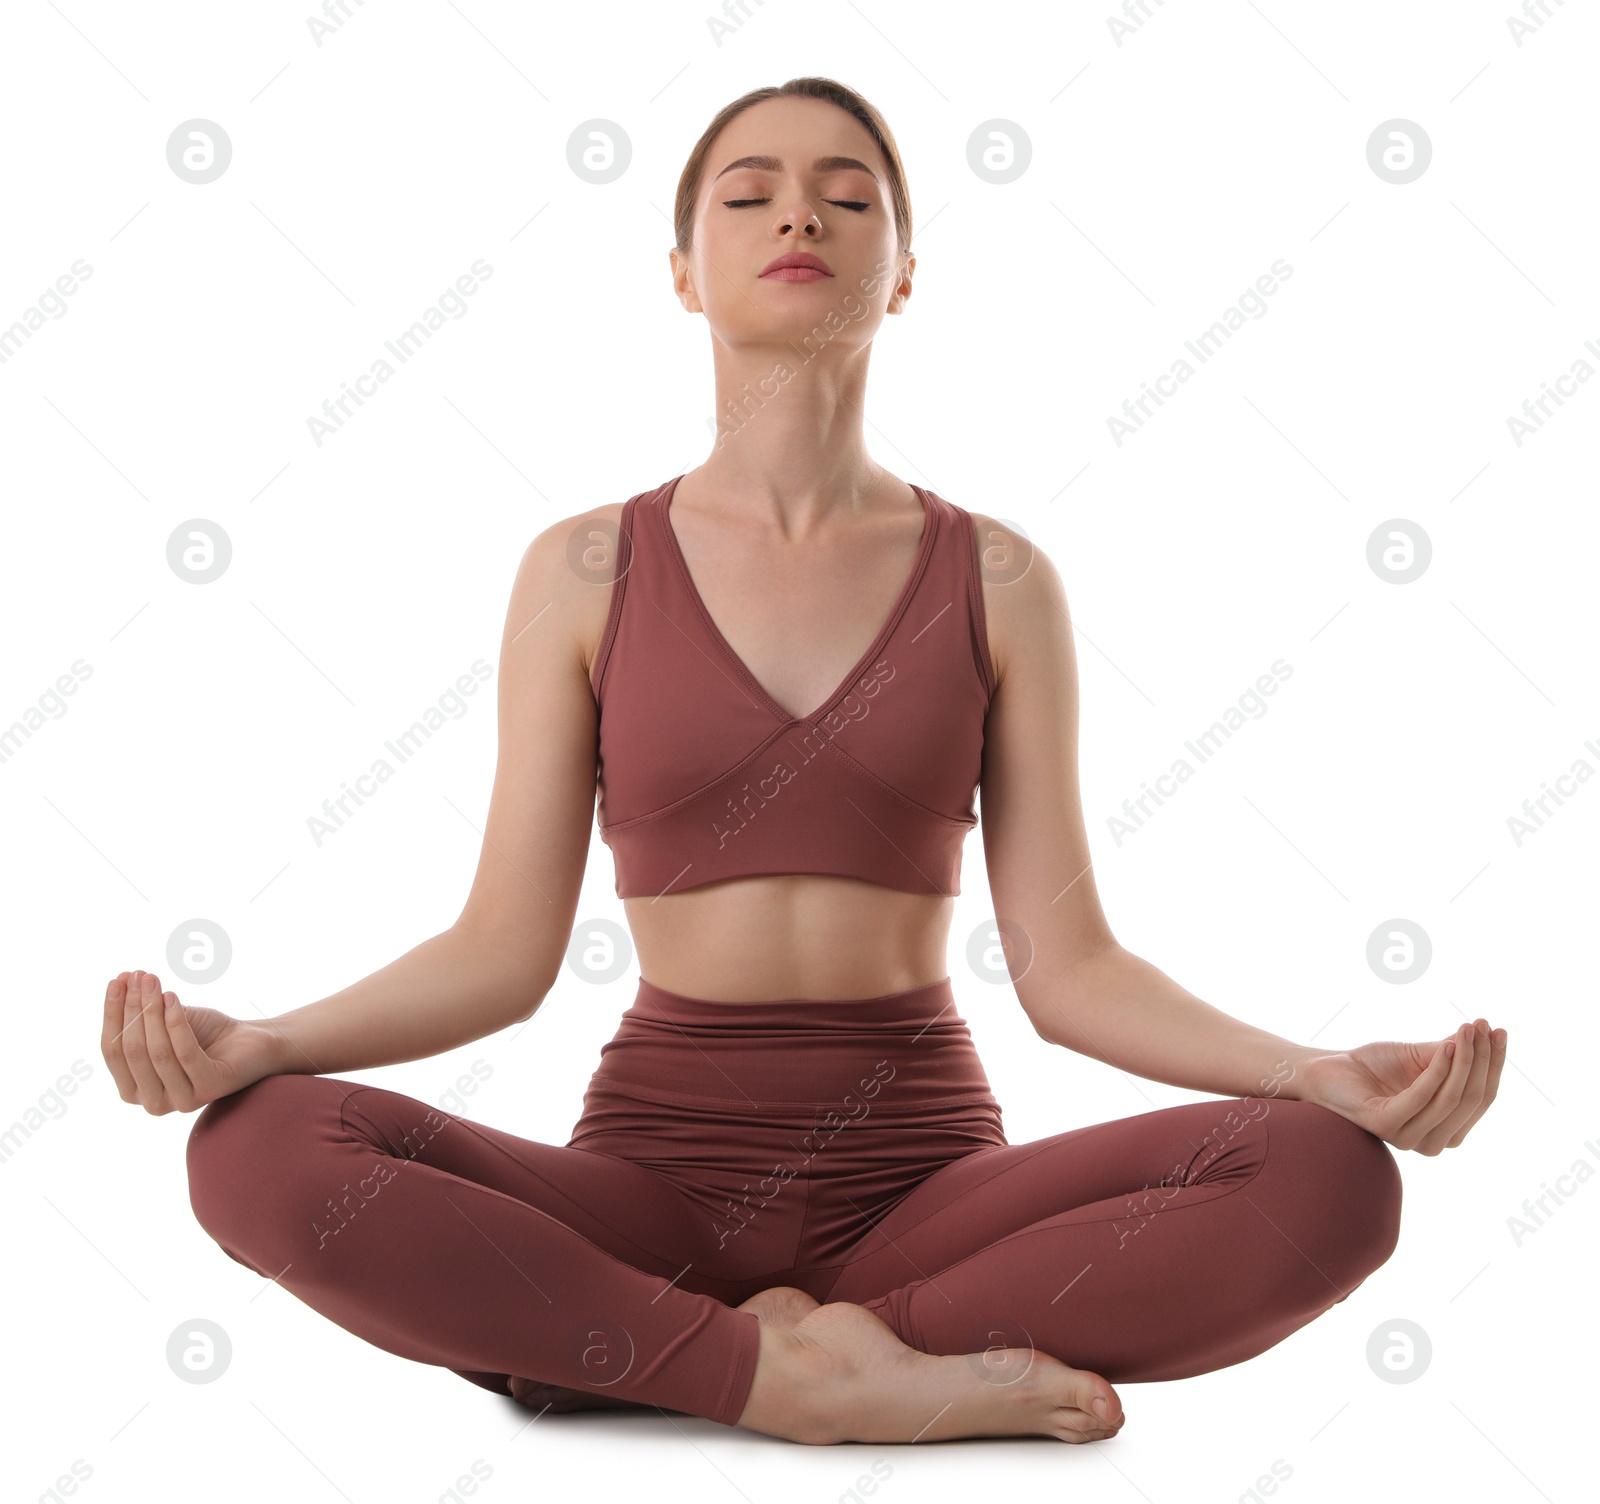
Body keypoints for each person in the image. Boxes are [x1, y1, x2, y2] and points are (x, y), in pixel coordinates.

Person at [99, 77, 1506, 1448]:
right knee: (256, 1149)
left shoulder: (998, 576)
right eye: (750, 191)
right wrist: (269, 1044)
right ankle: (810, 1381)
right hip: (649, 1184)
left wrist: (1311, 1068)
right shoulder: (586, 567)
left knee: (1327, 1180)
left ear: (900, 275)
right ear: (681, 270)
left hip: (925, 1194)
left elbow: (1073, 972)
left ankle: (647, 1350)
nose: (803, 216)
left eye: (850, 196)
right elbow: (502, 951)